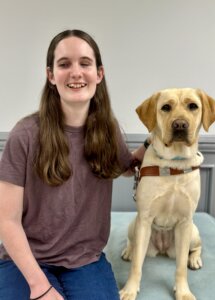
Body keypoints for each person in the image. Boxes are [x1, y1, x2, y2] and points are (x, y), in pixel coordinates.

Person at [0, 29, 146, 300]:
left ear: (99, 74)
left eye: (85, 63)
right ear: (51, 75)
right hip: (25, 260)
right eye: (64, 64)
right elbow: (6, 220)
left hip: (85, 260)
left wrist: (154, 143)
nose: (76, 72)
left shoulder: (108, 130)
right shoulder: (25, 134)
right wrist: (40, 287)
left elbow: (127, 166)